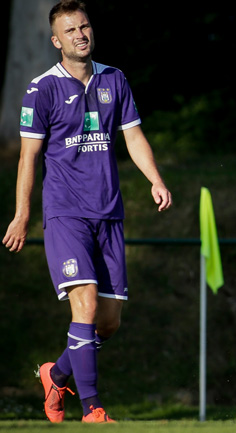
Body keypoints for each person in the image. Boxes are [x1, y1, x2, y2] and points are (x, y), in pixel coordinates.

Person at [3, 0, 172, 423]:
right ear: (56, 41)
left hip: (109, 213)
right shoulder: (41, 89)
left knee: (108, 323)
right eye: (71, 30)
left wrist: (155, 179)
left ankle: (55, 373)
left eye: (85, 26)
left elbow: (133, 137)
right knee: (86, 303)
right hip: (65, 213)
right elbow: (28, 159)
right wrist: (23, 214)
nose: (81, 35)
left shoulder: (114, 79)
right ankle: (93, 409)